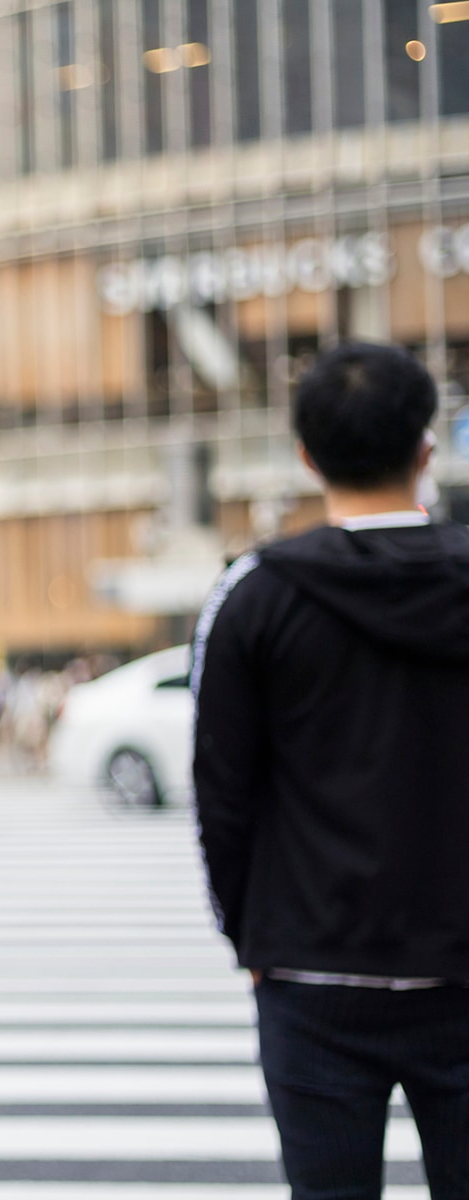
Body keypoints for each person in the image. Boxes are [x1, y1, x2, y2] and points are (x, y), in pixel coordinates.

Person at [192, 342, 469, 1199]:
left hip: (311, 969)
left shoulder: (254, 596)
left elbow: (222, 796)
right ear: (427, 449)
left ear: (306, 457)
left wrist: (252, 937)